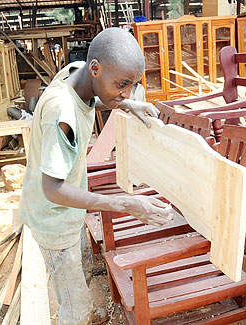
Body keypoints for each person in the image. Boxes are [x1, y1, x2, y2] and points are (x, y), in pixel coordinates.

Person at [19, 28, 173, 325]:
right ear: (95, 69)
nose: (126, 92)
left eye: (132, 85)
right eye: (122, 84)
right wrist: (126, 204)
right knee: (70, 301)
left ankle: (86, 311)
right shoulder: (60, 113)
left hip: (69, 209)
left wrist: (129, 104)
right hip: (53, 217)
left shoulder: (76, 74)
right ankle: (79, 316)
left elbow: (93, 96)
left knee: (81, 272)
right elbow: (52, 188)